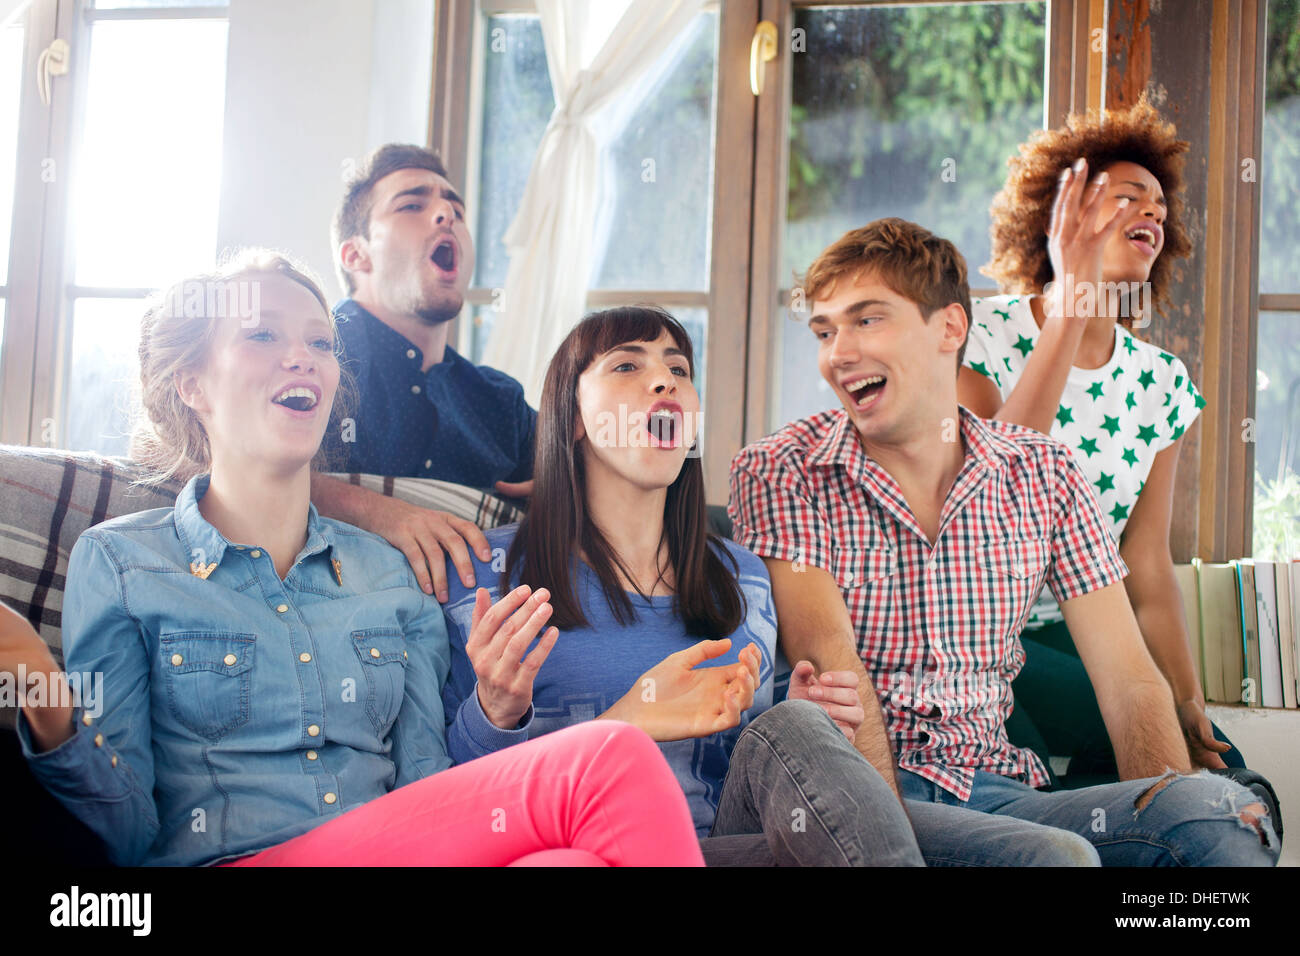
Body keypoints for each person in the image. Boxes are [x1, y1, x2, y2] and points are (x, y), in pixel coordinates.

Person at [6, 250, 704, 867]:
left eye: (319, 341)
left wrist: (496, 708)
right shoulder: (123, 563)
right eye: (262, 335)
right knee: (610, 759)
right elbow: (123, 837)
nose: (302, 355)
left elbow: (433, 789)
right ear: (192, 384)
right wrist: (43, 689)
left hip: (392, 846)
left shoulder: (388, 574)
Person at [439, 305, 1103, 866]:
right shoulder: (484, 573)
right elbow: (454, 805)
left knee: (1055, 856)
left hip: (734, 837)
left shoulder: (739, 573)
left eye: (679, 370)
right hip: (603, 849)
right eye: (628, 366)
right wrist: (496, 710)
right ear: (574, 418)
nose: (665, 383)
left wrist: (806, 707)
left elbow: (757, 749)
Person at [728, 218, 1279, 865]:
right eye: (825, 331)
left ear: (950, 329)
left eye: (867, 320)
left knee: (1224, 817)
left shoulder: (1044, 471)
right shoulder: (782, 468)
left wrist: (1155, 817)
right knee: (1051, 856)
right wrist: (882, 848)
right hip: (860, 794)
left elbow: (1129, 680)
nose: (837, 352)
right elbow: (831, 663)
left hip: (1001, 790)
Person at [957, 97, 1243, 784]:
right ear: (1062, 213)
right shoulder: (973, 334)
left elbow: (1143, 560)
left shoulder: (1161, 382)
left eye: (1158, 207)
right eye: (1127, 197)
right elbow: (994, 495)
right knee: (1053, 786)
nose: (1151, 212)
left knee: (1224, 773)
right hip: (971, 630)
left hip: (1084, 631)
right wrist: (1071, 299)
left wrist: (1186, 693)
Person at [311, 143, 534, 603]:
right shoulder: (309, 356)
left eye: (455, 207)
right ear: (356, 255)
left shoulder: (501, 401)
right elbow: (221, 468)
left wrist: (572, 489)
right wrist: (382, 513)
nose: (445, 215)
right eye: (412, 205)